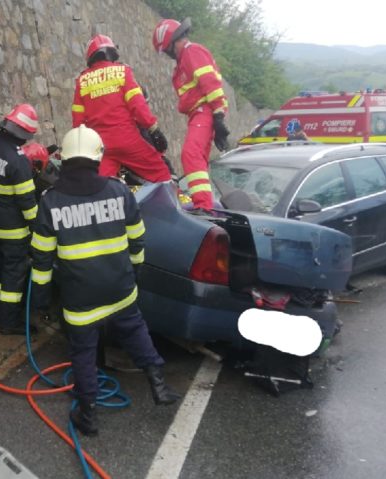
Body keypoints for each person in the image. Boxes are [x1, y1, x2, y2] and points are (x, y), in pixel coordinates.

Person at [30, 125, 181, 436]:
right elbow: (137, 241)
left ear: (64, 158)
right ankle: (159, 385)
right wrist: (134, 273)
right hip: (120, 289)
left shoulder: (51, 201)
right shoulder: (119, 190)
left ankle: (88, 415)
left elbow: (42, 260)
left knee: (83, 352)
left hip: (80, 300)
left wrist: (42, 300)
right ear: (98, 157)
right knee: (135, 331)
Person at [153, 18, 231, 210]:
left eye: (167, 50)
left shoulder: (191, 51)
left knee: (191, 154)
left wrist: (218, 115)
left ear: (172, 43)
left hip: (204, 111)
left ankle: (203, 207)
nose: (169, 55)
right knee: (200, 161)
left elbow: (209, 82)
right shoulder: (186, 58)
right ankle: (206, 204)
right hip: (199, 113)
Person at [71, 34, 172, 183]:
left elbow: (78, 122)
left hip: (101, 147)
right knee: (162, 175)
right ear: (111, 53)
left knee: (100, 189)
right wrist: (153, 129)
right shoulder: (123, 72)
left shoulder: (82, 81)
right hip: (127, 140)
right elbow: (138, 106)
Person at [0, 104, 41, 335]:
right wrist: (37, 229)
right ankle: (9, 323)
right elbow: (27, 202)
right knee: (13, 276)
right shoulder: (19, 162)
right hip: (14, 232)